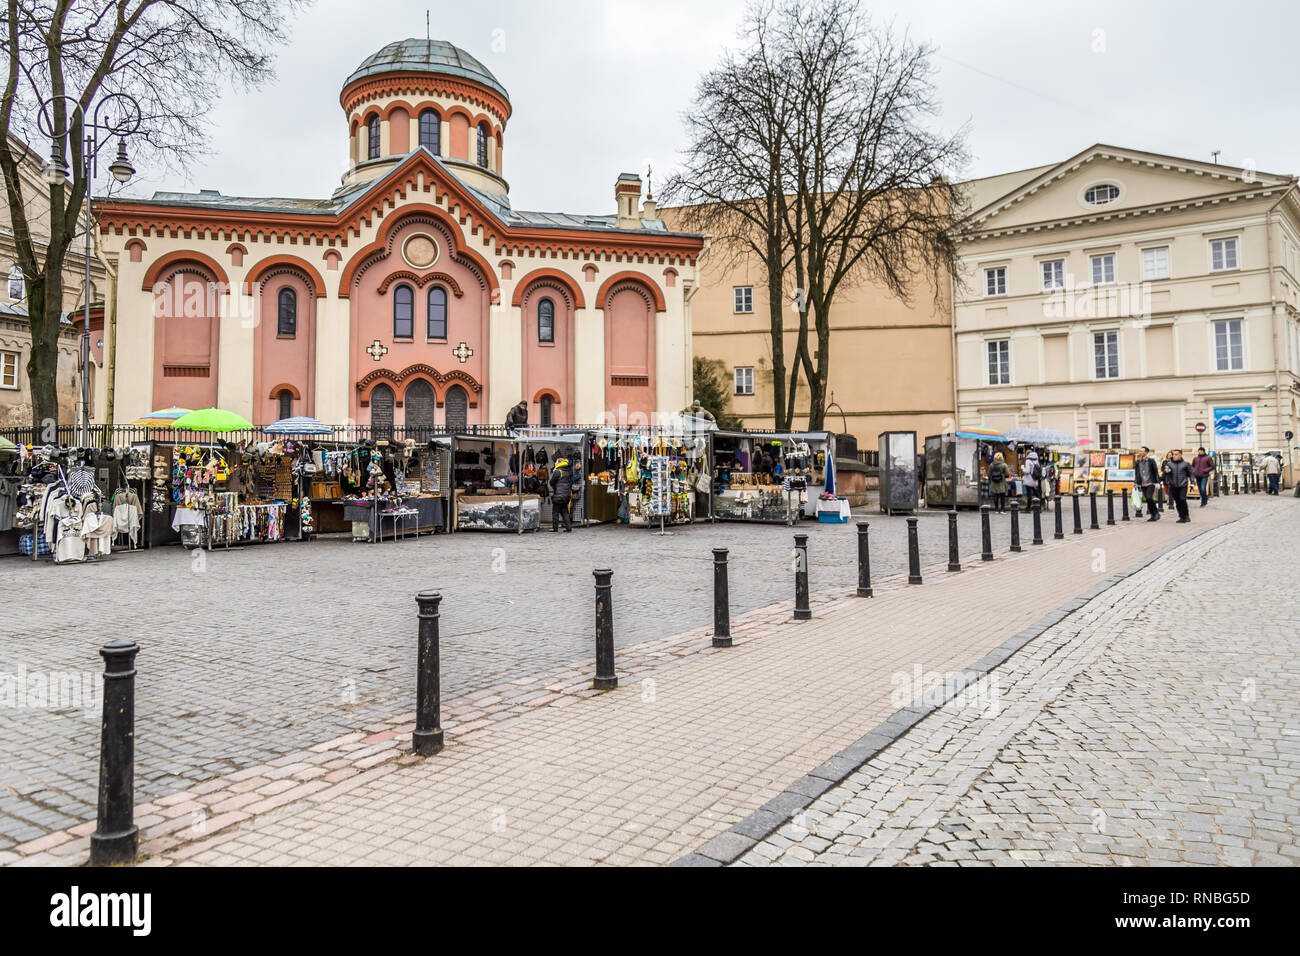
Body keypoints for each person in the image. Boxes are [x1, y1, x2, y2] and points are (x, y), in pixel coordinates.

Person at [548, 457, 578, 532]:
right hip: (566, 495)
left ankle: (555, 528)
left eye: (556, 462)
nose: (555, 463)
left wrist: (555, 487)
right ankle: (568, 527)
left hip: (558, 495)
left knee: (555, 512)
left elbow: (551, 482)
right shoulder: (568, 471)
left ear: (559, 463)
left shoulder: (558, 471)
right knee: (564, 512)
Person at [1165, 449, 1194, 522]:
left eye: (1176, 454)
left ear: (1180, 455)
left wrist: (1192, 483)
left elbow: (1191, 474)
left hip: (1183, 485)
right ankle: (1181, 516)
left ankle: (1186, 516)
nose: (1174, 456)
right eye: (1173, 454)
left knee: (1182, 499)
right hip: (1173, 485)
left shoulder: (1186, 464)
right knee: (1177, 501)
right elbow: (1165, 474)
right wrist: (1167, 472)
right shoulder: (1169, 464)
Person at [1135, 448, 1160, 522]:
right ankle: (1153, 515)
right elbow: (1137, 473)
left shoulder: (1151, 461)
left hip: (1150, 482)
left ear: (1146, 452)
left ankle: (1156, 513)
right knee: (1147, 499)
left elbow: (1155, 472)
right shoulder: (1138, 462)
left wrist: (1157, 482)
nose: (1140, 452)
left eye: (1142, 451)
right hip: (1142, 483)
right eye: (1140, 451)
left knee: (1149, 498)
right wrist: (1136, 482)